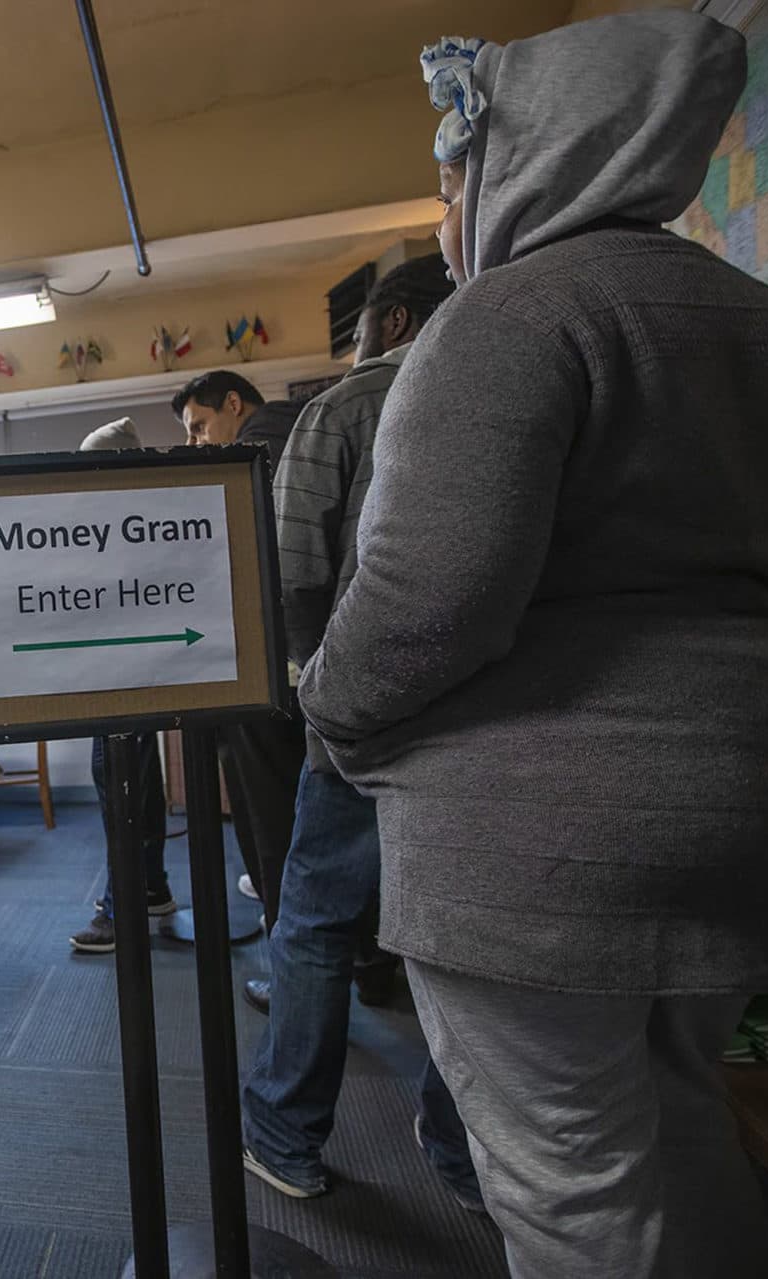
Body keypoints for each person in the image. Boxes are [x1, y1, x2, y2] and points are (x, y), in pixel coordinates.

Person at [305, 15, 768, 1275]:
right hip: (756, 811)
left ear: (533, 153)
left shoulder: (504, 319)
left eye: (454, 175)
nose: (449, 211)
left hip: (541, 848)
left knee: (568, 1183)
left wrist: (330, 714)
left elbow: (428, 601)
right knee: (685, 1131)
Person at [240, 255, 473, 1208]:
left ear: (392, 319)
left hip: (360, 707)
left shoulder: (345, 407)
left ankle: (286, 1134)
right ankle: (459, 1151)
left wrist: (310, 691)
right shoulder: (513, 387)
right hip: (478, 714)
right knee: (456, 934)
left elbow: (293, 563)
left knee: (315, 922)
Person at [171, 372, 305, 955]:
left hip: (261, 661)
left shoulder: (250, 460)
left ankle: (289, 951)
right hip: (317, 661)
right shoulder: (311, 432)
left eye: (200, 426)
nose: (198, 441)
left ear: (233, 403)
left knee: (268, 818)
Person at [68, 418, 178, 953]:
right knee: (141, 781)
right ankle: (151, 888)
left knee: (118, 786)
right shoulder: (139, 513)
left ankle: (121, 909)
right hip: (136, 672)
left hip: (120, 677)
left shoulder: (122, 517)